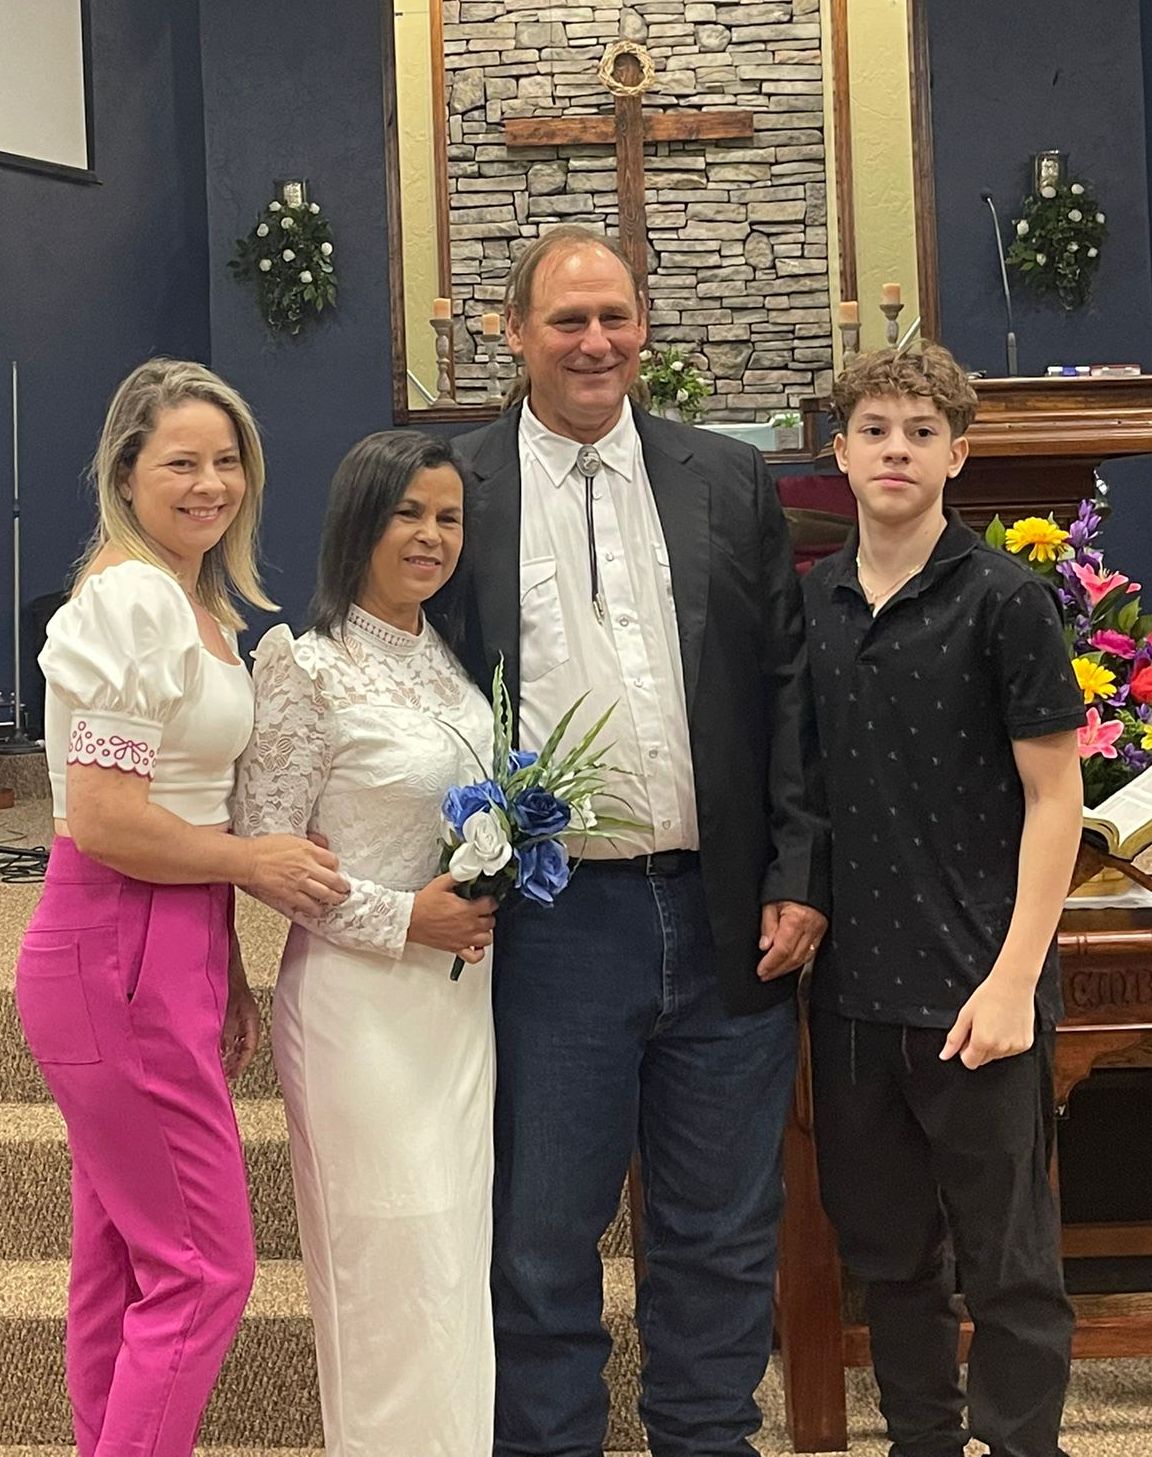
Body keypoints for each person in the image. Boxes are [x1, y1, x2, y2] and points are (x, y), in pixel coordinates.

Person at [454, 224, 829, 1456]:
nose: (595, 341)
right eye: (566, 320)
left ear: (644, 327)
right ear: (512, 334)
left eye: (615, 316)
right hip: (555, 924)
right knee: (546, 1233)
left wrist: (795, 872)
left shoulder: (726, 478)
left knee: (719, 1232)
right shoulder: (453, 490)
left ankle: (705, 1438)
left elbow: (786, 687)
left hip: (726, 914)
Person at [16, 357, 348, 1457]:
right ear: (125, 470)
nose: (211, 483)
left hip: (174, 939)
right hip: (115, 938)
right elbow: (104, 819)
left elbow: (181, 796)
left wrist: (222, 962)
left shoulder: (194, 602)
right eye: (181, 462)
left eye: (227, 460)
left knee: (123, 1257)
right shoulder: (126, 601)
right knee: (206, 1264)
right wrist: (254, 861)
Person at [803, 344, 1085, 1457]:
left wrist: (1017, 976)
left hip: (982, 984)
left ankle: (1023, 1444)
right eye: (875, 429)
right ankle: (922, 1437)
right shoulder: (814, 600)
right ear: (840, 450)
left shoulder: (1007, 601)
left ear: (958, 455)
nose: (896, 450)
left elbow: (1056, 796)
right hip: (857, 994)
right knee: (889, 1255)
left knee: (1010, 1258)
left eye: (921, 433)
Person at [231, 431, 498, 1456]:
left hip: (455, 1004)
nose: (431, 536)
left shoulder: (444, 655)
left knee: (449, 1258)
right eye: (408, 514)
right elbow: (269, 855)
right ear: (359, 521)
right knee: (387, 1257)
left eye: (447, 517)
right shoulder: (308, 666)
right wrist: (403, 917)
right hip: (359, 1005)